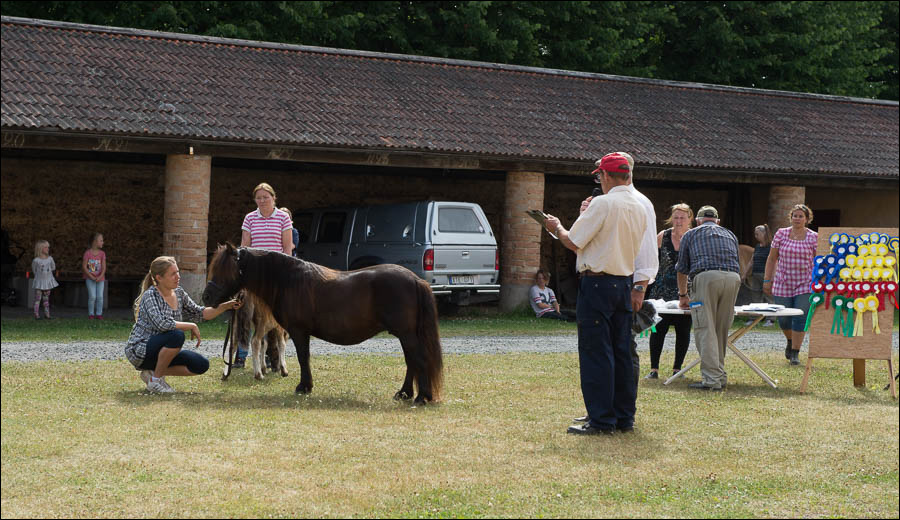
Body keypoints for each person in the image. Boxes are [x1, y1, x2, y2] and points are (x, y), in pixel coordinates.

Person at [544, 152, 648, 435]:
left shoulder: (603, 203)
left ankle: (601, 419)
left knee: (596, 352)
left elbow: (574, 241)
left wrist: (555, 227)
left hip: (598, 284)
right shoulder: (638, 205)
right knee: (621, 352)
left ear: (605, 176)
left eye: (600, 175)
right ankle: (623, 417)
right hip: (623, 282)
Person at [124, 256, 242, 393]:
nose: (178, 276)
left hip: (162, 350)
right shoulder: (151, 296)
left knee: (201, 364)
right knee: (176, 336)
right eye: (173, 274)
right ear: (159, 278)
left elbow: (200, 312)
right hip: (140, 350)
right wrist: (191, 326)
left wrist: (225, 306)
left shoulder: (179, 293)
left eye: (178, 272)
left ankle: (151, 373)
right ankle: (155, 381)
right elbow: (162, 324)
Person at [675, 206, 741, 391]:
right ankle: (719, 376)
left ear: (698, 220)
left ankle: (712, 380)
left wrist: (683, 296)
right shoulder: (730, 234)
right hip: (733, 279)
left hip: (705, 279)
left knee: (705, 328)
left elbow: (682, 269)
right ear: (717, 221)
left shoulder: (690, 234)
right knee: (721, 329)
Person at [233, 182, 293, 368]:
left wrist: (283, 274)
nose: (262, 201)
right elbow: (245, 245)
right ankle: (241, 357)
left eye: (266, 197)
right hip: (255, 274)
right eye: (258, 198)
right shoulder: (250, 218)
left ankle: (272, 358)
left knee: (274, 316)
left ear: (274, 198)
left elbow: (287, 249)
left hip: (275, 273)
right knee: (247, 314)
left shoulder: (283, 218)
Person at [763, 204, 817, 365]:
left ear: (807, 219)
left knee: (800, 316)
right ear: (791, 218)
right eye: (795, 216)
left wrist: (820, 281)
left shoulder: (814, 237)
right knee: (784, 319)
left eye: (801, 216)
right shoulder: (781, 234)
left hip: (805, 282)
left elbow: (819, 261)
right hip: (783, 281)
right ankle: (789, 340)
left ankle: (795, 352)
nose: (797, 219)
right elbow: (772, 258)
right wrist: (767, 279)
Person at [645, 203, 694, 380]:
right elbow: (651, 260)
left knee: (683, 331)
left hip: (686, 292)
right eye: (676, 217)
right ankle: (654, 369)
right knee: (658, 331)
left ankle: (677, 369)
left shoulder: (693, 237)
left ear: (690, 219)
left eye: (682, 217)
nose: (679, 221)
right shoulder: (662, 236)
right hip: (661, 291)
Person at [747, 224, 774, 325]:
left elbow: (774, 261)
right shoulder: (757, 246)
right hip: (756, 274)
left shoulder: (771, 247)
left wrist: (772, 277)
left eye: (757, 234)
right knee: (755, 297)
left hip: (766, 275)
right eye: (755, 234)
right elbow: (751, 261)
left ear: (764, 234)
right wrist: (745, 274)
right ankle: (754, 318)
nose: (755, 236)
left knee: (768, 297)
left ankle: (770, 319)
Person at [30, 239, 59, 320]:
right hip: (39, 283)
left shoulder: (50, 259)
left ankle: (47, 314)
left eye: (48, 247)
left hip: (47, 282)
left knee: (46, 299)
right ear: (40, 249)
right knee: (37, 299)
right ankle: (36, 314)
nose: (48, 249)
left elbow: (53, 268)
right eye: (46, 247)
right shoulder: (36, 261)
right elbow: (34, 270)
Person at [82, 232, 107, 320]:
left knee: (100, 296)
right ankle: (91, 314)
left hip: (100, 279)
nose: (102, 242)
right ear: (95, 242)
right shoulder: (87, 253)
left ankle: (99, 314)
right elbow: (84, 267)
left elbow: (104, 267)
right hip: (90, 278)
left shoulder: (102, 254)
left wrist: (100, 276)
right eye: (101, 240)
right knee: (92, 296)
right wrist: (91, 276)